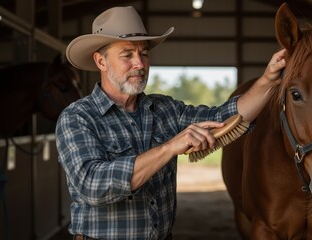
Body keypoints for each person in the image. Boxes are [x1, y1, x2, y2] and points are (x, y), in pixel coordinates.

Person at [56, 5, 286, 240]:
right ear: (101, 61)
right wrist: (169, 147)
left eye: (144, 53)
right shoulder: (77, 117)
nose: (140, 63)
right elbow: (92, 185)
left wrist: (268, 80)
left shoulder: (165, 109)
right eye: (127, 54)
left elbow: (226, 117)